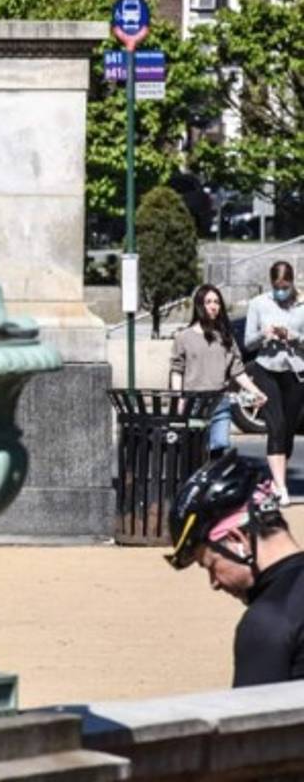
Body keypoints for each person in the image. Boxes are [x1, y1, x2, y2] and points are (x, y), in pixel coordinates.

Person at [166, 449, 304, 686]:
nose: (214, 583)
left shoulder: (268, 622)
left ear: (237, 540)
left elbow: (256, 709)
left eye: (210, 565)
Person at [170, 284, 267, 456]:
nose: (213, 306)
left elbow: (237, 371)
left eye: (216, 302)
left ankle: (213, 472)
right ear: (199, 305)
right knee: (195, 450)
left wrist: (256, 391)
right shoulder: (184, 337)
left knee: (220, 444)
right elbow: (177, 370)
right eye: (208, 302)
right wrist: (179, 398)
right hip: (194, 404)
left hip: (220, 402)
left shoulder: (226, 337)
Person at [243, 261, 304, 505]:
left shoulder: (302, 305)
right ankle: (281, 487)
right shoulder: (258, 304)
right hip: (266, 369)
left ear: (292, 283)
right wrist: (264, 335)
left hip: (295, 372)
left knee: (287, 429)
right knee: (276, 425)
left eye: (285, 286)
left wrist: (292, 336)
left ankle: (276, 481)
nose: (281, 291)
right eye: (277, 286)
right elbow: (248, 342)